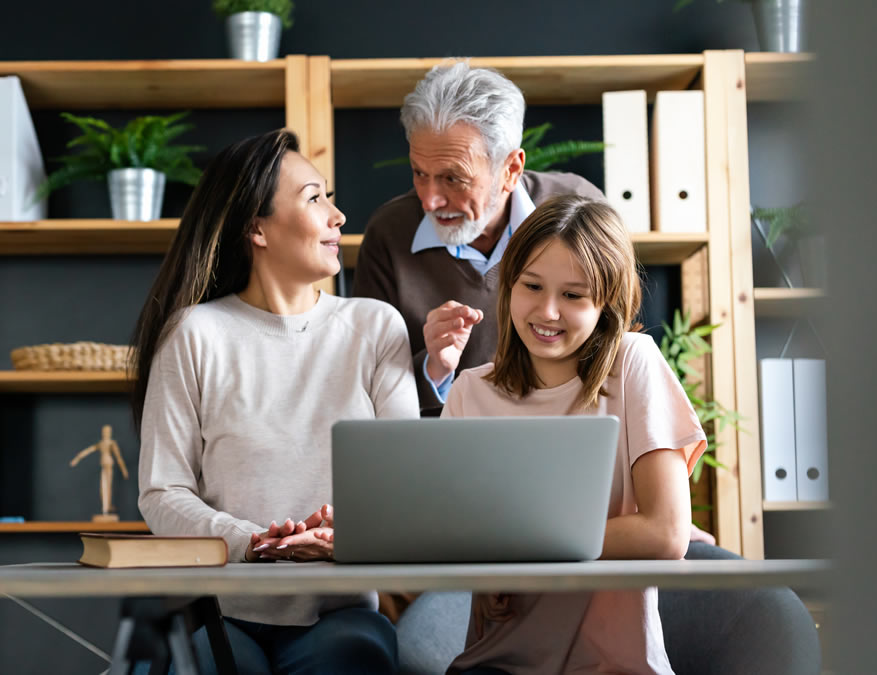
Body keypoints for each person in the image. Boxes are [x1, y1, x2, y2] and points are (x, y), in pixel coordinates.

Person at [130, 129, 418, 674]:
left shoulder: (375, 326)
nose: (337, 216)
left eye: (330, 197)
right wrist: (252, 541)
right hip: (221, 610)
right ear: (256, 228)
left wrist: (340, 536)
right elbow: (163, 491)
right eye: (315, 199)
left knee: (351, 656)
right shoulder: (194, 333)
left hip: (340, 611)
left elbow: (401, 488)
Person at [442, 195, 706, 675]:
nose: (547, 311)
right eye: (532, 285)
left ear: (606, 302)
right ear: (508, 286)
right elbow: (456, 540)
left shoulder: (632, 363)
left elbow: (666, 533)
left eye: (573, 295)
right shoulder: (468, 392)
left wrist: (520, 551)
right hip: (497, 661)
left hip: (617, 664)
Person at [353, 59, 605, 418]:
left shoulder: (580, 208)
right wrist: (434, 369)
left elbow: (617, 336)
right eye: (419, 173)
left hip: (568, 430)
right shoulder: (388, 233)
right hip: (444, 452)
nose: (429, 199)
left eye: (453, 178)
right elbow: (368, 388)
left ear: (511, 170)